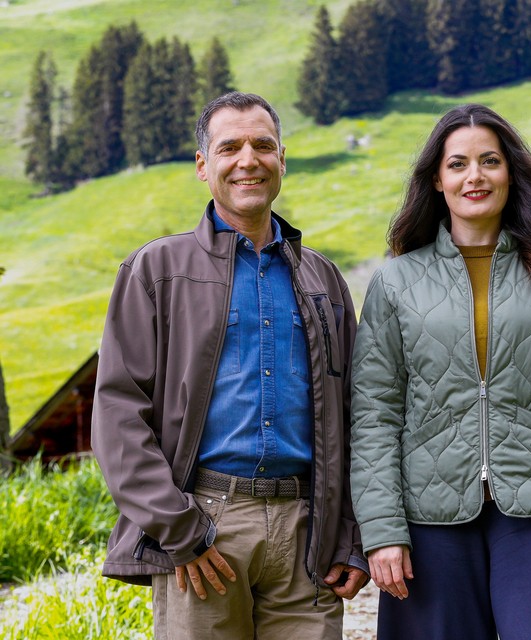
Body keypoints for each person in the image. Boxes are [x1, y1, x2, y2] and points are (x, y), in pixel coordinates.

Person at [92, 91, 367, 639]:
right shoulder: (156, 270)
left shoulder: (324, 279)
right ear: (203, 165)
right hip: (203, 528)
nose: (249, 160)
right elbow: (118, 410)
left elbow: (356, 416)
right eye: (230, 147)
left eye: (263, 145)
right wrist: (180, 530)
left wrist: (350, 536)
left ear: (282, 159)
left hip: (307, 532)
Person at [349, 103, 531, 640]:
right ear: (436, 179)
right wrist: (383, 529)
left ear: (511, 173)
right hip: (428, 520)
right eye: (458, 164)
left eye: (489, 161)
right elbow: (374, 417)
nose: (474, 176)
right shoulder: (395, 284)